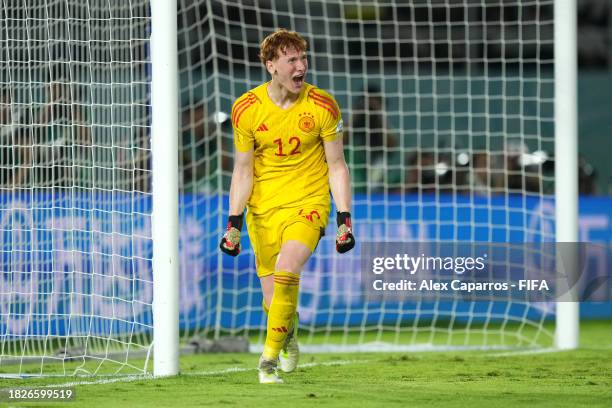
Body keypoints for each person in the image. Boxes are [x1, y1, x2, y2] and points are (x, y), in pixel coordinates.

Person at [219, 28, 354, 384]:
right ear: (271, 66)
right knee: (273, 298)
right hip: (263, 210)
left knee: (289, 266)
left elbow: (337, 165)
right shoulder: (246, 109)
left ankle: (266, 361)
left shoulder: (323, 105)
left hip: (307, 202)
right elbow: (243, 169)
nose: (301, 66)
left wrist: (344, 218)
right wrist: (233, 222)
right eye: (291, 59)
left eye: (303, 58)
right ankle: (288, 337)